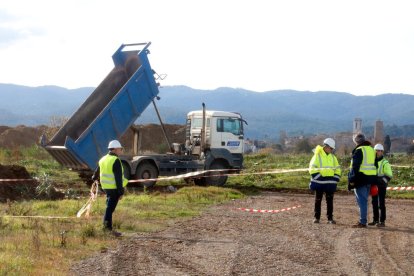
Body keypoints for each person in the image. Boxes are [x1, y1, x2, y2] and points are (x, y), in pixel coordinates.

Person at [92, 140, 128, 237]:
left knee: (109, 207)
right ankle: (107, 229)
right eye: (120, 149)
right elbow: (118, 179)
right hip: (114, 189)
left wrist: (95, 179)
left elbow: (95, 173)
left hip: (106, 188)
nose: (121, 150)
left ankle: (106, 227)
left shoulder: (103, 159)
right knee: (110, 208)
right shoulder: (116, 160)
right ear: (115, 149)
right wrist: (121, 192)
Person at [309, 138, 341, 224]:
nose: (332, 150)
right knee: (318, 200)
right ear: (326, 146)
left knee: (329, 201)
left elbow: (337, 169)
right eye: (331, 148)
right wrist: (320, 178)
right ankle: (317, 218)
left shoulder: (333, 158)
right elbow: (312, 169)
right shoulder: (317, 156)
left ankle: (330, 219)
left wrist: (335, 178)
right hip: (319, 183)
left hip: (330, 184)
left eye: (332, 149)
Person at [348, 133, 377, 228]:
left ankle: (363, 222)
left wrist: (351, 179)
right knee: (364, 200)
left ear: (355, 141)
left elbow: (355, 167)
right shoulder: (372, 150)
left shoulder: (359, 151)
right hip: (370, 179)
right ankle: (363, 220)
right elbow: (375, 165)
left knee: (362, 201)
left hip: (360, 179)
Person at [369, 143, 393, 227]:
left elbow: (389, 175)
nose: (378, 152)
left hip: (381, 186)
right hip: (373, 185)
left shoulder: (385, 162)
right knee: (374, 202)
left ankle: (382, 221)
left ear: (382, 152)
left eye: (380, 151)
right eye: (376, 150)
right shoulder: (371, 162)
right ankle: (375, 220)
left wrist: (381, 181)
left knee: (381, 203)